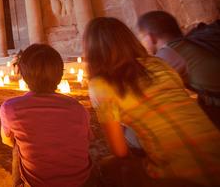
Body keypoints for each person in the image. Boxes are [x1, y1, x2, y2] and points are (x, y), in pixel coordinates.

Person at [85, 17, 220, 186]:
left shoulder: (100, 85)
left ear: (92, 50)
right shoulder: (159, 63)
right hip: (216, 153)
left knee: (109, 166)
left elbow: (119, 152)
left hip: (179, 176)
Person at [0, 44, 92, 187]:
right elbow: (88, 139)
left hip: (38, 184)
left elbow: (7, 140)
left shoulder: (10, 107)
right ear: (60, 75)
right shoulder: (78, 108)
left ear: (22, 75)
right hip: (82, 182)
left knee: (17, 146)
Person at [137, 10, 220, 127]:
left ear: (151, 38)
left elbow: (143, 88)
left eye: (142, 37)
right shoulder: (190, 42)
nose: (142, 43)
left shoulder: (168, 54)